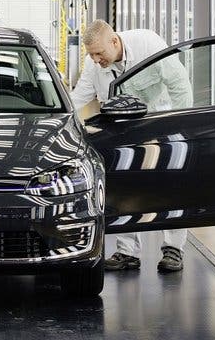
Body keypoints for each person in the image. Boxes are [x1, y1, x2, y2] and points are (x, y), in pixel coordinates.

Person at [70, 19, 193, 273]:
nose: (96, 60)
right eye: (91, 55)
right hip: (122, 131)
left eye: (99, 53)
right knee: (125, 187)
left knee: (170, 187)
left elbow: (179, 84)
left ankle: (173, 249)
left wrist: (183, 127)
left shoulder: (149, 44)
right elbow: (78, 98)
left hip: (159, 125)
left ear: (114, 42)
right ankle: (127, 252)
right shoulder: (93, 65)